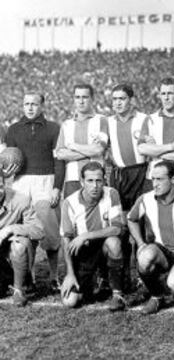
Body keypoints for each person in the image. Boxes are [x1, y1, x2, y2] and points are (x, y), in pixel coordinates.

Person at [127, 161, 174, 314]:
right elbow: (131, 219)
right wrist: (141, 243)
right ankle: (157, 296)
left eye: (160, 179)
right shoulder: (146, 199)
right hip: (163, 251)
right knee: (144, 257)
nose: (154, 184)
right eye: (153, 179)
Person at [5, 92, 65, 291]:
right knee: (22, 228)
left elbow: (59, 161)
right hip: (20, 182)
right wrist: (5, 172)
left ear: (42, 106)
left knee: (48, 230)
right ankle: (26, 277)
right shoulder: (13, 130)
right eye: (26, 104)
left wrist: (57, 186)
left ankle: (55, 276)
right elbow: (6, 161)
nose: (30, 107)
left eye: (34, 104)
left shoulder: (53, 128)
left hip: (45, 181)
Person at [60, 161, 127, 311]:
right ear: (82, 182)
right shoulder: (69, 202)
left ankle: (117, 293)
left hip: (104, 247)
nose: (95, 186)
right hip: (85, 252)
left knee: (114, 243)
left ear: (104, 180)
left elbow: (117, 229)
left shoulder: (112, 194)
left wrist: (85, 235)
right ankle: (94, 281)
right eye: (90, 181)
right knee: (70, 301)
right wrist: (69, 274)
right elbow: (66, 240)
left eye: (99, 180)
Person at [106, 83, 148, 292]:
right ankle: (123, 277)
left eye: (122, 98)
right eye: (114, 99)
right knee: (121, 228)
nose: (118, 103)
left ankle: (144, 275)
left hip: (141, 173)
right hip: (119, 176)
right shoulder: (108, 122)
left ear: (131, 100)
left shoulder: (143, 119)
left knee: (142, 226)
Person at [138, 77, 174, 194]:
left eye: (170, 93)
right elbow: (142, 148)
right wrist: (172, 147)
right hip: (154, 178)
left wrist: (156, 152)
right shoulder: (150, 119)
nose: (166, 97)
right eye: (163, 93)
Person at [55, 84, 109, 198]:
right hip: (72, 180)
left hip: (95, 179)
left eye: (85, 97)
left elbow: (98, 149)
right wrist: (88, 150)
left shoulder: (102, 120)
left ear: (92, 99)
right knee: (73, 215)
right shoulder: (67, 124)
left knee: (97, 214)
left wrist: (73, 146)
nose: (81, 101)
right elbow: (60, 154)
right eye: (77, 97)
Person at [0, 168, 44, 306]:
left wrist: (10, 229)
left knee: (19, 245)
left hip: (10, 254)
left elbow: (39, 230)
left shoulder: (21, 199)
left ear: (5, 183)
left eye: (0, 186)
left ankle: (19, 289)